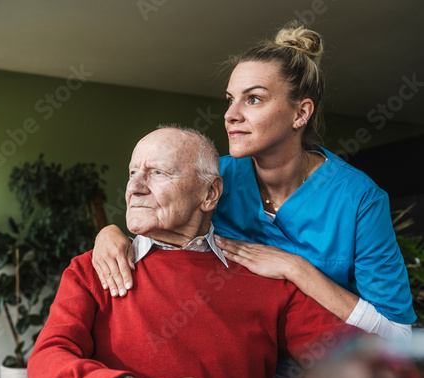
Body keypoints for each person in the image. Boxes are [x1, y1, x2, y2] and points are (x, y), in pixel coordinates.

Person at [92, 21, 416, 342]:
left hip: (328, 371)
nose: (230, 115)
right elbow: (158, 232)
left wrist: (296, 269)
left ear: (300, 114)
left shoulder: (359, 199)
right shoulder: (214, 178)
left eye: (253, 99)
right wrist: (109, 234)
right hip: (240, 361)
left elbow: (399, 334)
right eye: (230, 99)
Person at [27, 127, 359, 378]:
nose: (135, 187)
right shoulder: (91, 269)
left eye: (158, 173)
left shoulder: (263, 274)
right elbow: (47, 364)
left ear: (210, 193)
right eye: (132, 173)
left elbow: (354, 358)